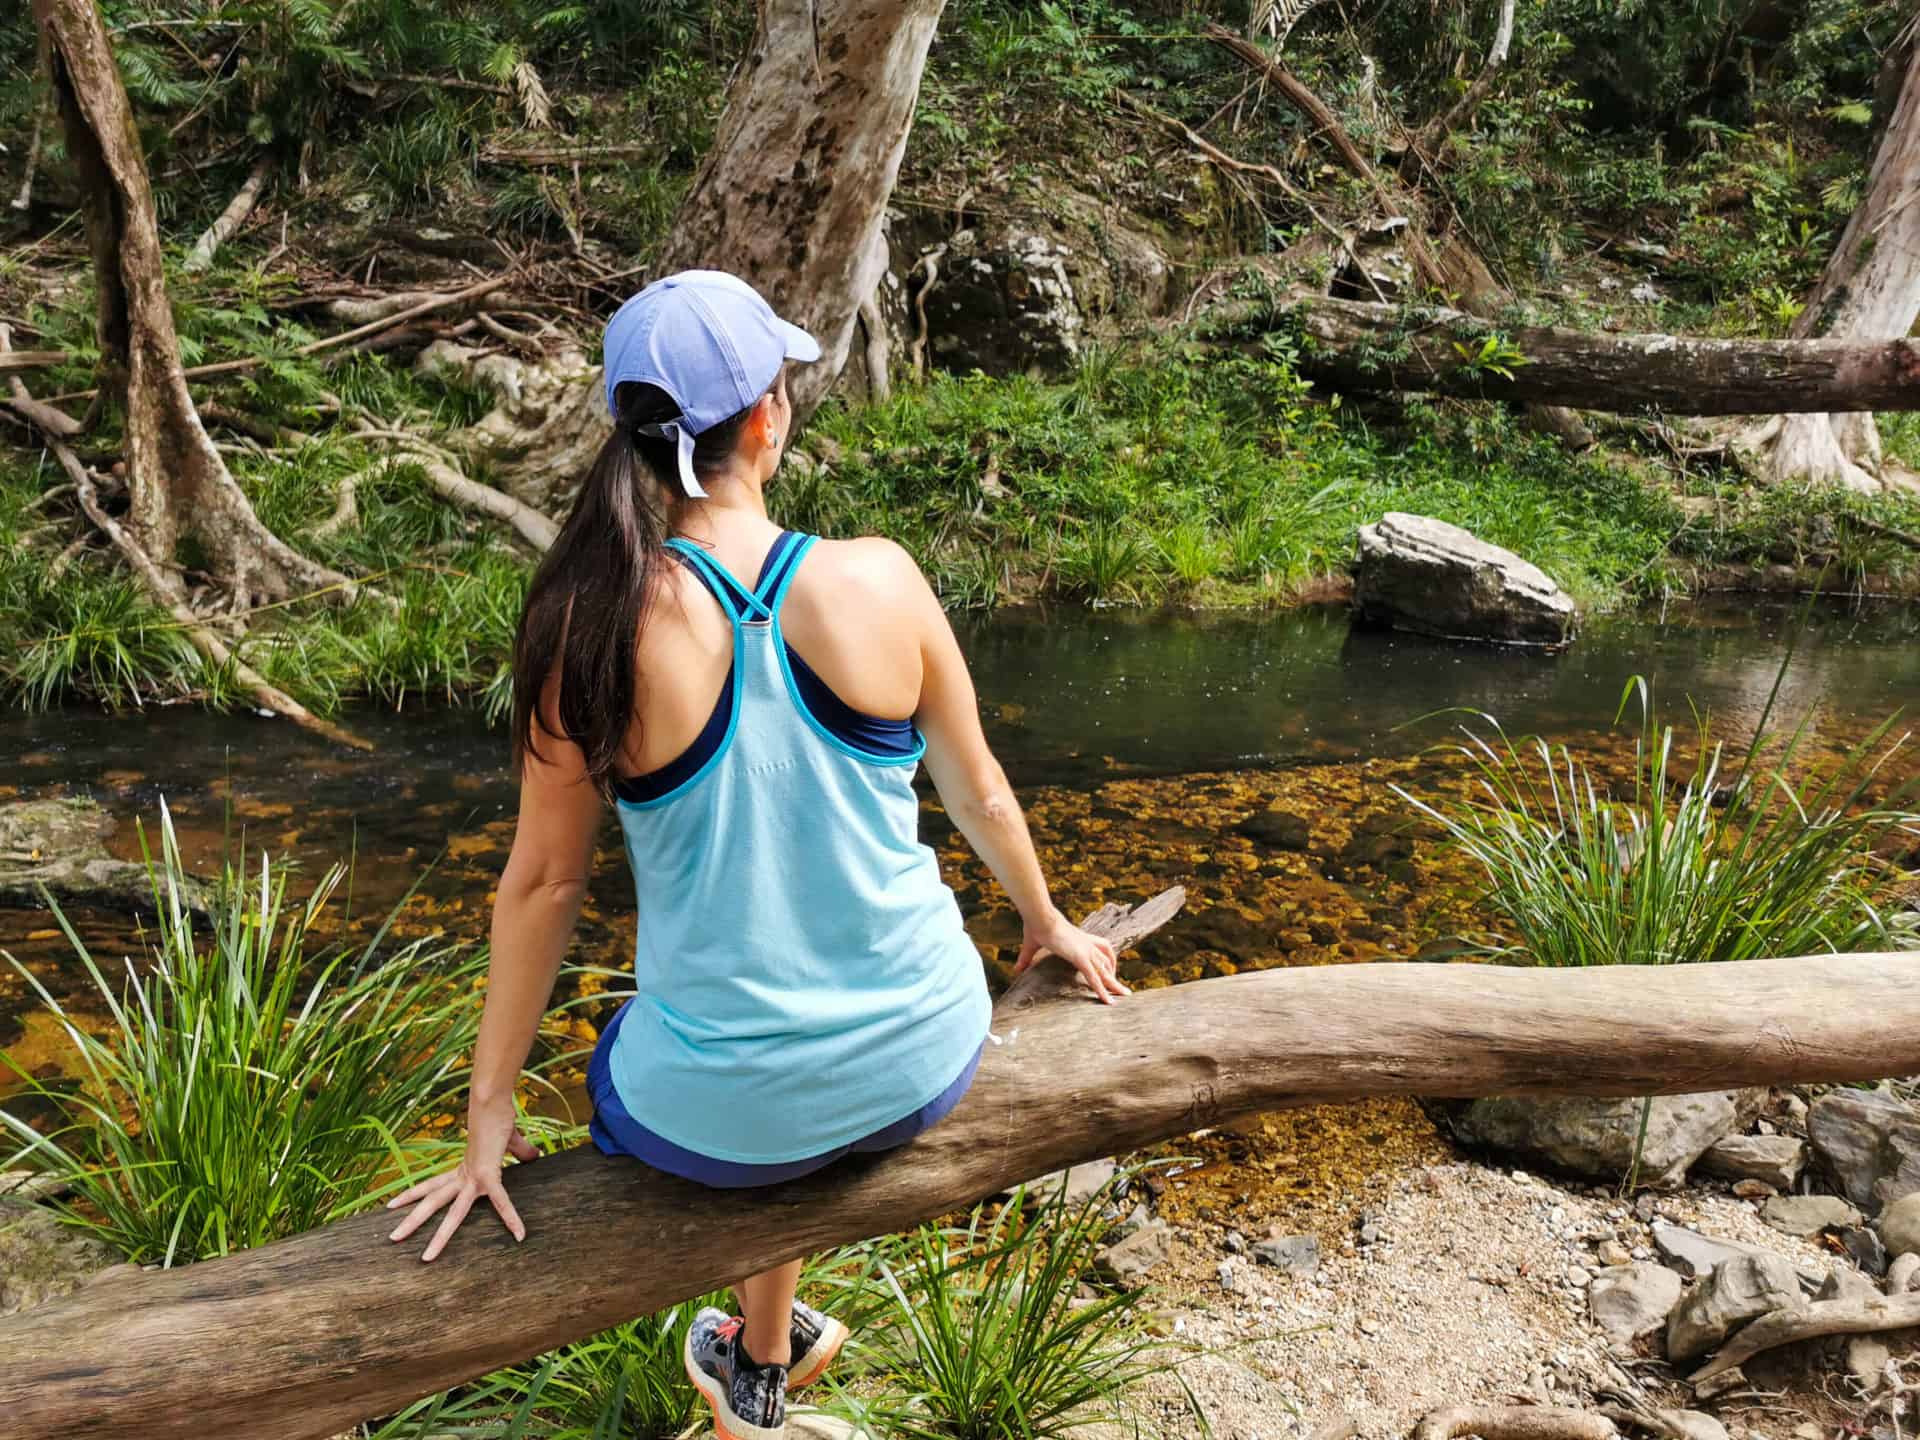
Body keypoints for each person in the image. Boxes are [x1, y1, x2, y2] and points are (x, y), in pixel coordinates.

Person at [384, 270, 1128, 1440]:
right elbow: (975, 785)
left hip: (722, 1115)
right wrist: (1046, 922)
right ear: (769, 418)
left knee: (663, 1039)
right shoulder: (881, 576)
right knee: (781, 1021)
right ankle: (765, 1358)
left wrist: (488, 1110)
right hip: (920, 1052)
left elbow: (544, 882)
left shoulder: (589, 619)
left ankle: (756, 1357)